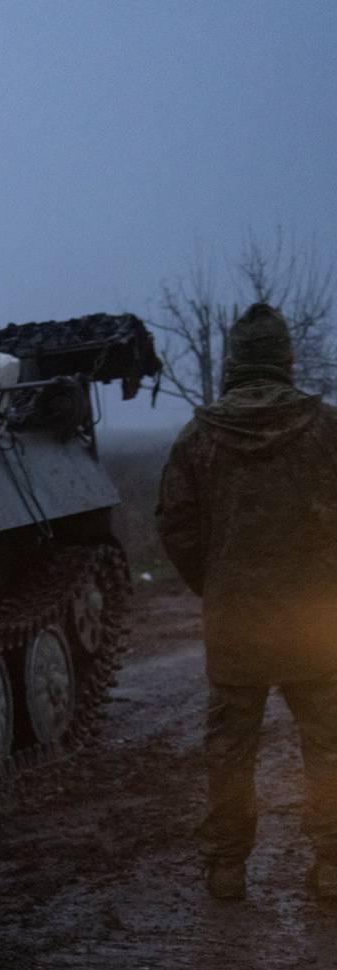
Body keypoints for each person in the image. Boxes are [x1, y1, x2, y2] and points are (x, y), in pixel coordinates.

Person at [156, 302, 337, 902]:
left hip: (236, 620)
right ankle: (334, 866)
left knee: (230, 750)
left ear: (233, 363)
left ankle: (226, 869)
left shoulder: (198, 436)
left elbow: (177, 527)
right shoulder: (327, 429)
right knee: (329, 743)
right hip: (317, 620)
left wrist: (217, 585)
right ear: (286, 360)